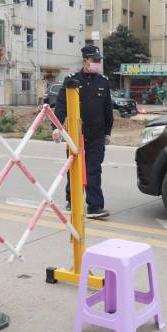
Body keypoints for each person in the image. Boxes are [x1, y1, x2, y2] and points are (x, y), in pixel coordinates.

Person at [52, 45, 113, 218]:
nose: (97, 63)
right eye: (94, 60)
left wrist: (108, 132)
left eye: (98, 61)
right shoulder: (72, 81)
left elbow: (107, 109)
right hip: (75, 134)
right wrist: (56, 127)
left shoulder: (103, 82)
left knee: (94, 169)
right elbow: (61, 105)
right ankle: (73, 200)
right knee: (74, 169)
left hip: (97, 136)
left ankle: (95, 207)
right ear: (85, 61)